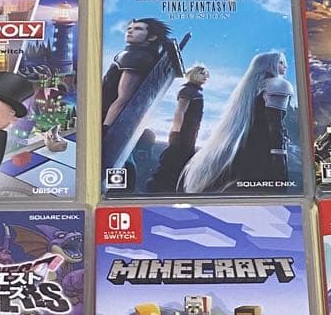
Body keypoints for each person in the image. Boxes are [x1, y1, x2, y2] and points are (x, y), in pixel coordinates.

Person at [180, 51, 294, 193]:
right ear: (268, 65)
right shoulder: (277, 85)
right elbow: (275, 124)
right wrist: (279, 158)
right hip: (266, 149)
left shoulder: (253, 88)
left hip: (247, 147)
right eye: (280, 62)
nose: (285, 66)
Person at [147, 64, 209, 193]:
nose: (206, 77)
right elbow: (179, 112)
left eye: (206, 75)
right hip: (182, 133)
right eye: (202, 74)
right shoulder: (188, 90)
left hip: (190, 134)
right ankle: (157, 188)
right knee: (173, 161)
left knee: (182, 162)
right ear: (195, 74)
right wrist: (176, 134)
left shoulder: (195, 91)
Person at [102, 18, 172, 127]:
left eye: (138, 29)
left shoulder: (137, 56)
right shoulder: (143, 55)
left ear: (152, 37)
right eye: (129, 28)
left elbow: (123, 100)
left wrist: (105, 128)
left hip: (104, 117)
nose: (130, 31)